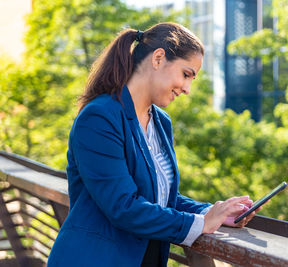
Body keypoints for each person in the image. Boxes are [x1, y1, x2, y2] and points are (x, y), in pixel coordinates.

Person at [47, 22, 258, 267]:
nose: (188, 88)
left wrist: (214, 212)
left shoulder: (161, 122)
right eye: (186, 74)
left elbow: (161, 199)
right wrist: (200, 223)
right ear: (158, 58)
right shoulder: (99, 118)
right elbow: (123, 206)